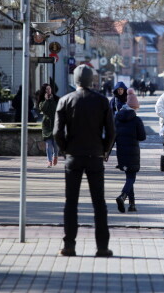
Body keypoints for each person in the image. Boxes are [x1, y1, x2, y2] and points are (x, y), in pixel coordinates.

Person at [54, 65, 116, 257]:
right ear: (92, 81)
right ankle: (102, 247)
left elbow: (57, 132)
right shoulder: (102, 101)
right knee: (99, 203)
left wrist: (65, 149)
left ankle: (69, 245)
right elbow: (112, 132)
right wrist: (105, 150)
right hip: (95, 156)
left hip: (73, 156)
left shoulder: (65, 100)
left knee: (71, 202)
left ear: (75, 80)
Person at [113, 89, 146, 213]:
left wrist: (106, 152)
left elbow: (112, 136)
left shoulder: (117, 118)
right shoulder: (137, 120)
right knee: (131, 177)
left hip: (121, 152)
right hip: (133, 152)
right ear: (134, 107)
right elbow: (142, 137)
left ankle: (132, 205)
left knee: (128, 175)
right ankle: (122, 196)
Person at [38, 83, 59, 168]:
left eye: (49, 89)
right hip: (46, 125)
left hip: (55, 123)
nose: (48, 90)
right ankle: (49, 161)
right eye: (46, 89)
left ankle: (56, 156)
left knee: (55, 144)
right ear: (44, 91)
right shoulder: (42, 101)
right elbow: (42, 109)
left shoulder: (56, 99)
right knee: (48, 144)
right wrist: (46, 100)